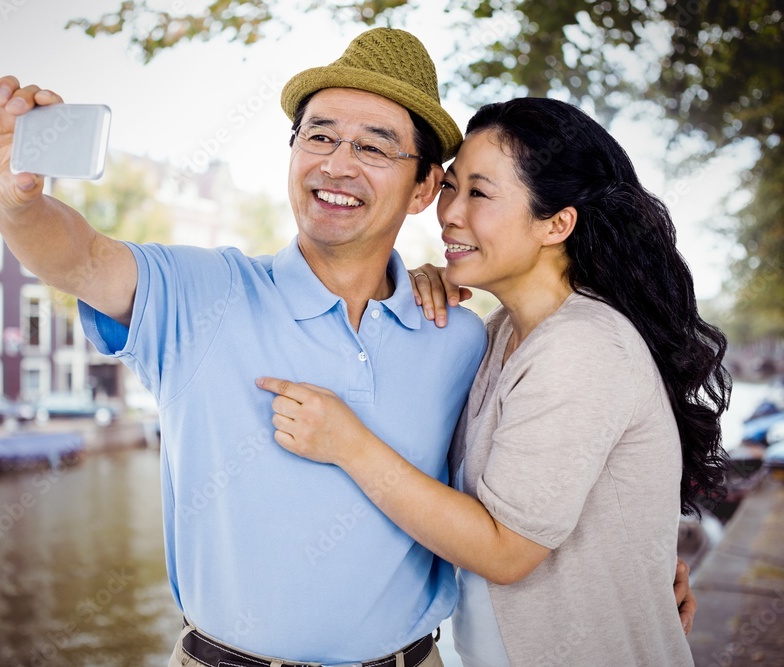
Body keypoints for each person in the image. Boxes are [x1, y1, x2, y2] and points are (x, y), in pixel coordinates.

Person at [0, 28, 695, 665]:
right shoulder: (203, 293)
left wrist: (637, 558)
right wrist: (14, 201)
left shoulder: (461, 337)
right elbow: (81, 259)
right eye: (319, 135)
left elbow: (526, 504)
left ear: (419, 189)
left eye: (375, 146)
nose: (337, 163)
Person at [256, 97, 729, 665]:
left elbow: (506, 550)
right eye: (451, 187)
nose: (449, 212)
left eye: (479, 193)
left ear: (556, 223)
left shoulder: (582, 345)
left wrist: (346, 444)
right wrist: (405, 289)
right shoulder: (502, 332)